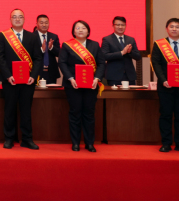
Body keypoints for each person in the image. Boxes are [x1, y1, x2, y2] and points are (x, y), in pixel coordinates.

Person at [0, 9, 43, 150]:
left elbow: (38, 58)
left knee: (26, 111)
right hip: (10, 80)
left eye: (20, 17)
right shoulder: (3, 35)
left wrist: (33, 76)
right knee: (9, 110)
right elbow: (0, 57)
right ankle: (9, 138)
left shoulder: (32, 36)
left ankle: (27, 139)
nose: (17, 19)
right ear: (10, 19)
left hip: (28, 81)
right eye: (14, 17)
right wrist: (8, 75)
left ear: (24, 19)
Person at [151, 18, 179, 154]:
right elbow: (156, 63)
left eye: (177, 27)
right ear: (167, 29)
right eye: (171, 26)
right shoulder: (159, 45)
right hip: (165, 86)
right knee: (165, 115)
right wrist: (163, 80)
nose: (174, 29)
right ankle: (166, 143)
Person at [58, 20, 105, 152]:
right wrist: (70, 78)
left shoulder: (95, 45)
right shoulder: (67, 45)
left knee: (89, 113)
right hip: (73, 85)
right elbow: (62, 63)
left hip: (91, 85)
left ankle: (90, 143)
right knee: (75, 112)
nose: (80, 30)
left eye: (83, 28)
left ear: (88, 31)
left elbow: (101, 63)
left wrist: (97, 78)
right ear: (73, 31)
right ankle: (75, 143)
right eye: (77, 28)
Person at [101, 16, 142, 86]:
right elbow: (104, 56)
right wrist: (121, 53)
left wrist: (130, 52)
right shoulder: (107, 39)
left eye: (122, 25)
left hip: (129, 76)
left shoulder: (131, 39)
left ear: (125, 26)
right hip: (114, 76)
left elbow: (138, 57)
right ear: (113, 26)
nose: (120, 27)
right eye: (118, 25)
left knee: (131, 93)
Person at [34, 14, 61, 84]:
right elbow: (30, 53)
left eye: (46, 23)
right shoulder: (31, 36)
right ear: (37, 24)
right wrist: (41, 49)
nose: (44, 25)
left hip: (51, 72)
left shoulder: (54, 36)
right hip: (36, 71)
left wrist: (51, 47)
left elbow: (59, 53)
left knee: (51, 90)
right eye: (41, 23)